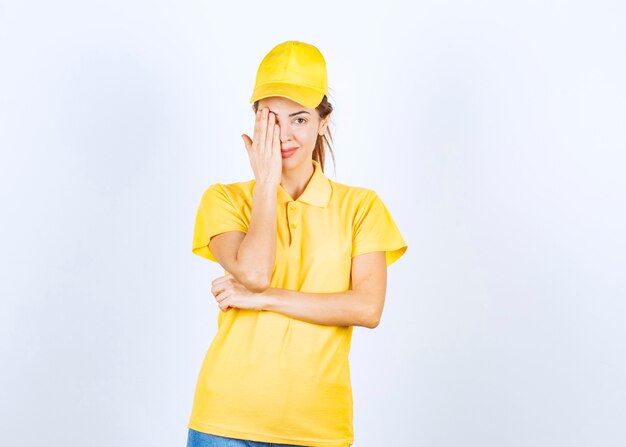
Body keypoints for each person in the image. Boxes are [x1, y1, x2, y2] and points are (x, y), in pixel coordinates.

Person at [186, 40, 408, 447]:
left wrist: (264, 299)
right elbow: (253, 273)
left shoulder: (361, 207)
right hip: (225, 421)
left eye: (300, 120)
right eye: (271, 119)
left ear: (324, 122)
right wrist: (266, 184)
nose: (284, 135)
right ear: (255, 120)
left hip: (318, 428)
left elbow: (367, 308)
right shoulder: (224, 199)